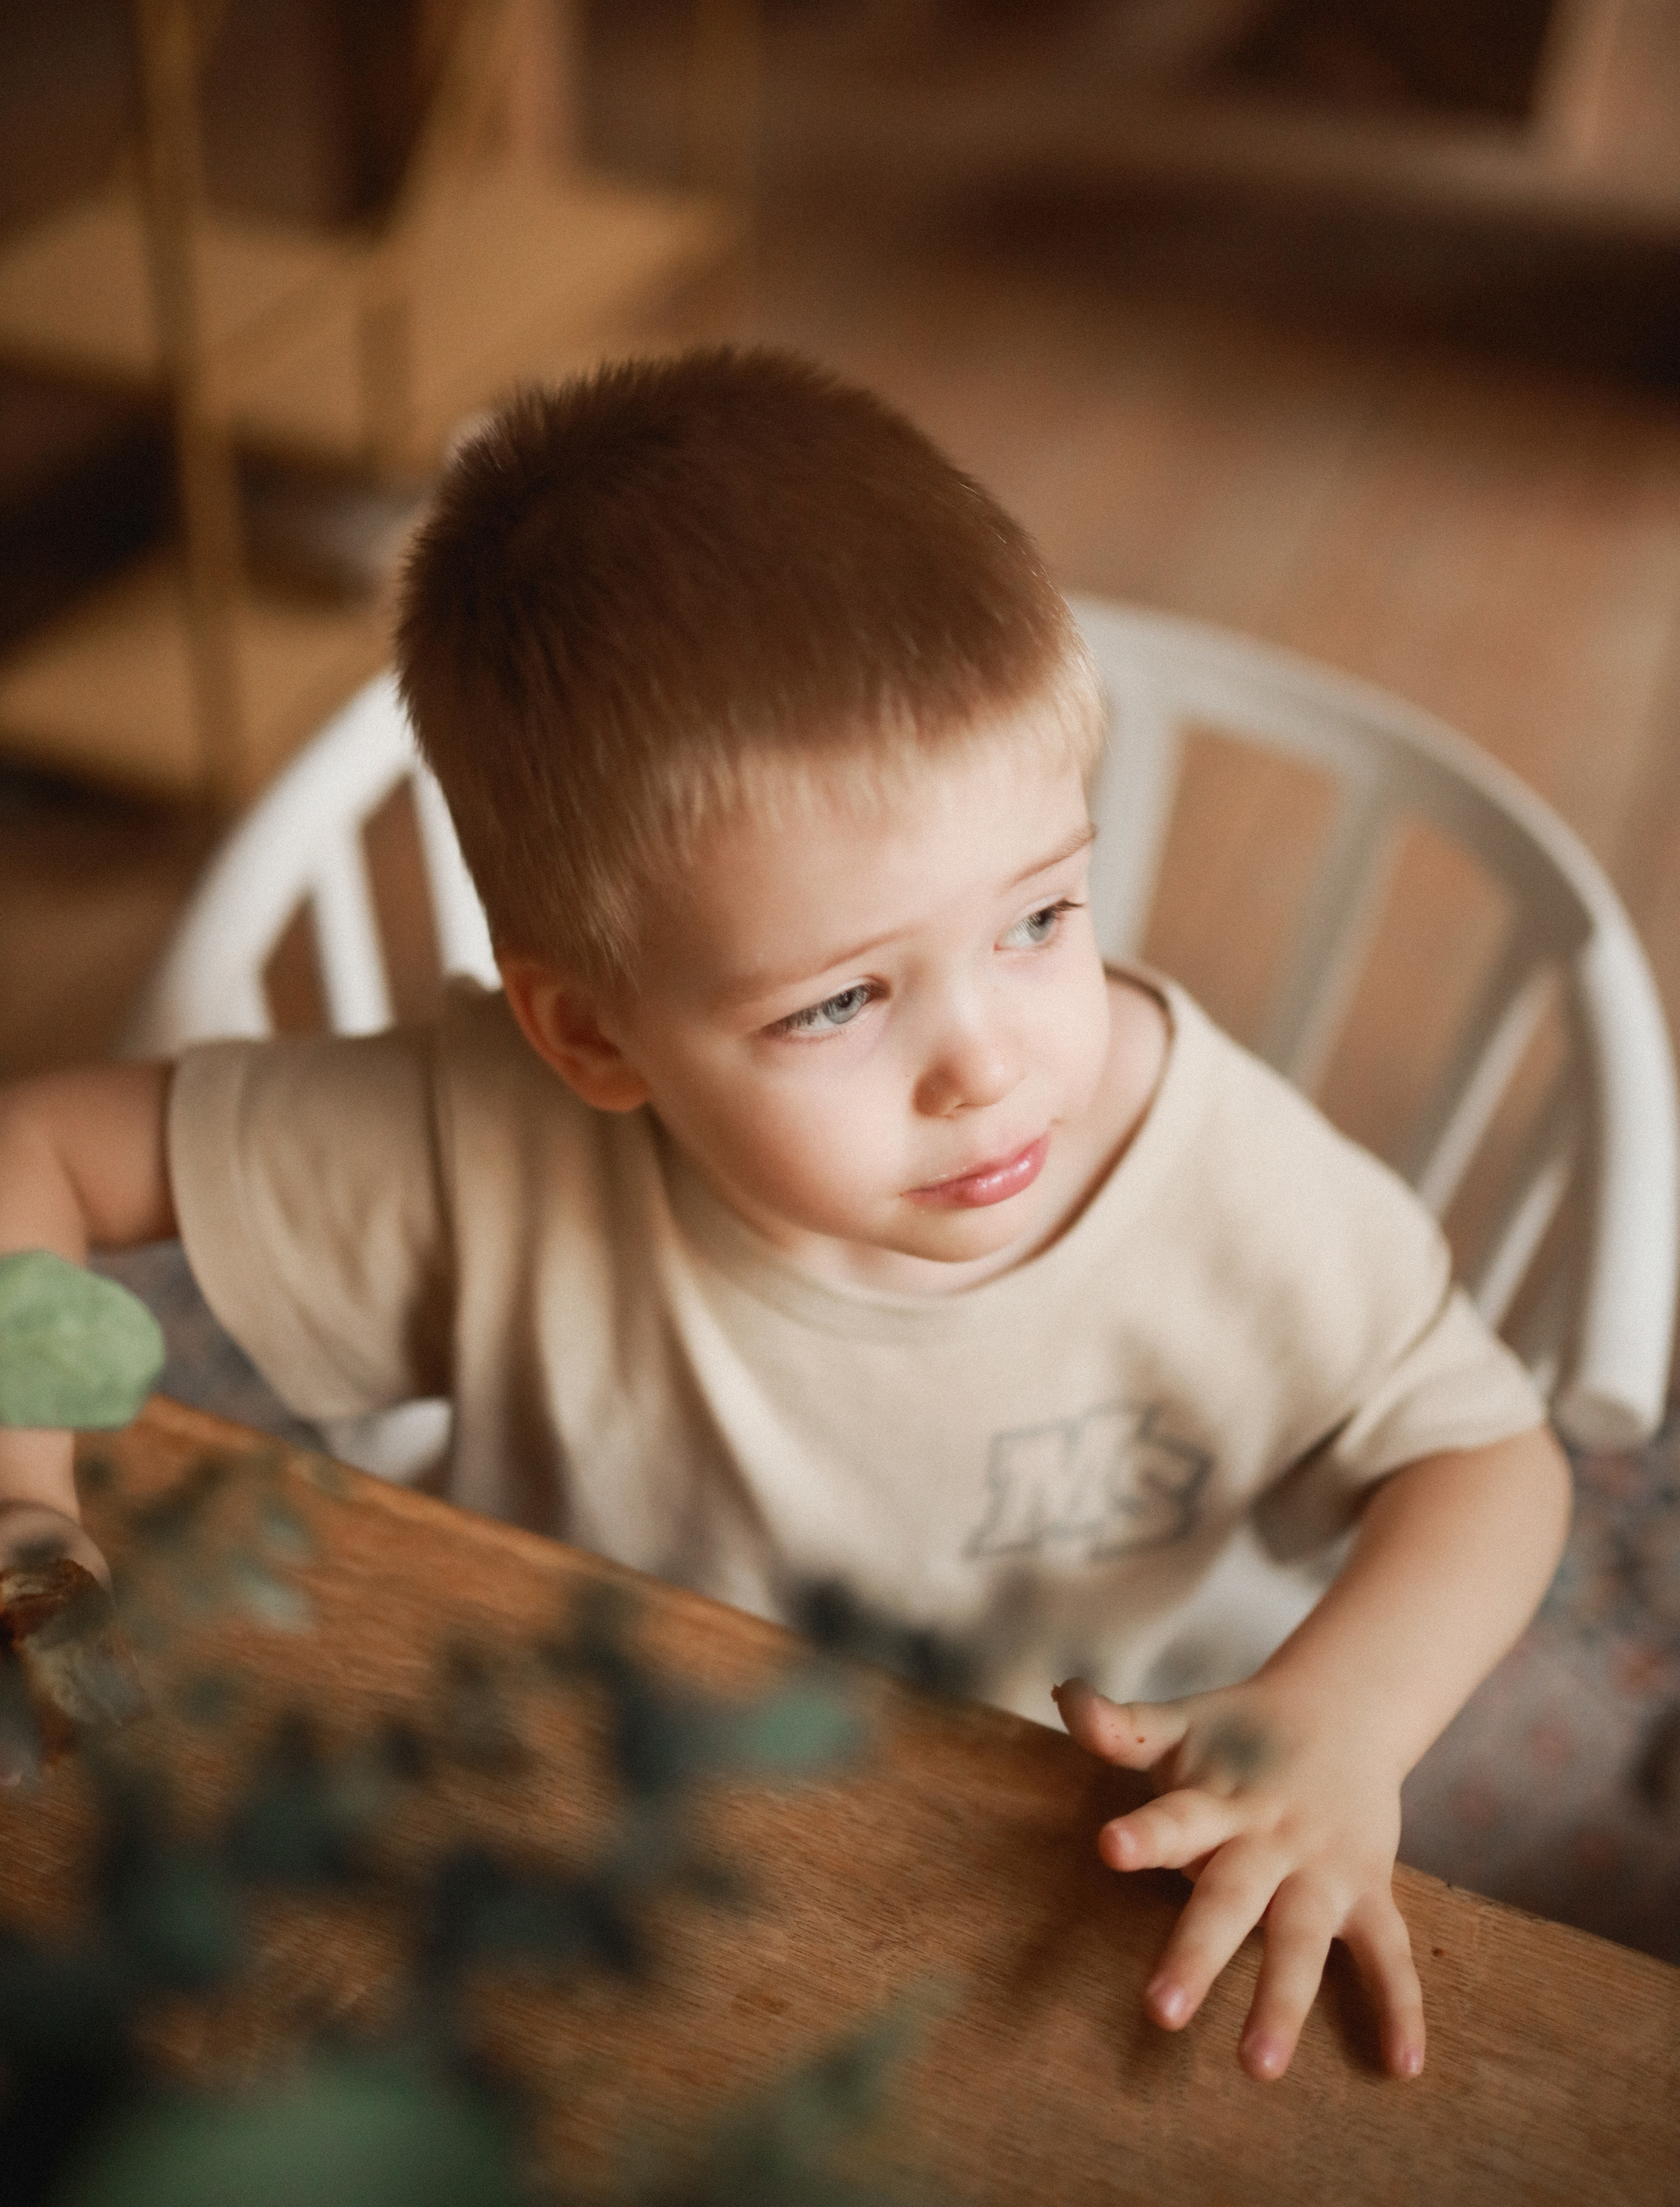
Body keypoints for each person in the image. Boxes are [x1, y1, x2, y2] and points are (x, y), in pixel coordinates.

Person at [0, 347, 1570, 2082]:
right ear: (593, 1035)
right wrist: (19, 1487)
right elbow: (35, 1155)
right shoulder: (487, 1150)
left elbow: (1491, 1455)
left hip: (1017, 1851)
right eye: (839, 1005)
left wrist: (1343, 1717)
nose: (991, 1065)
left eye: (1040, 914)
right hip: (572, 1809)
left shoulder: (1214, 1180)